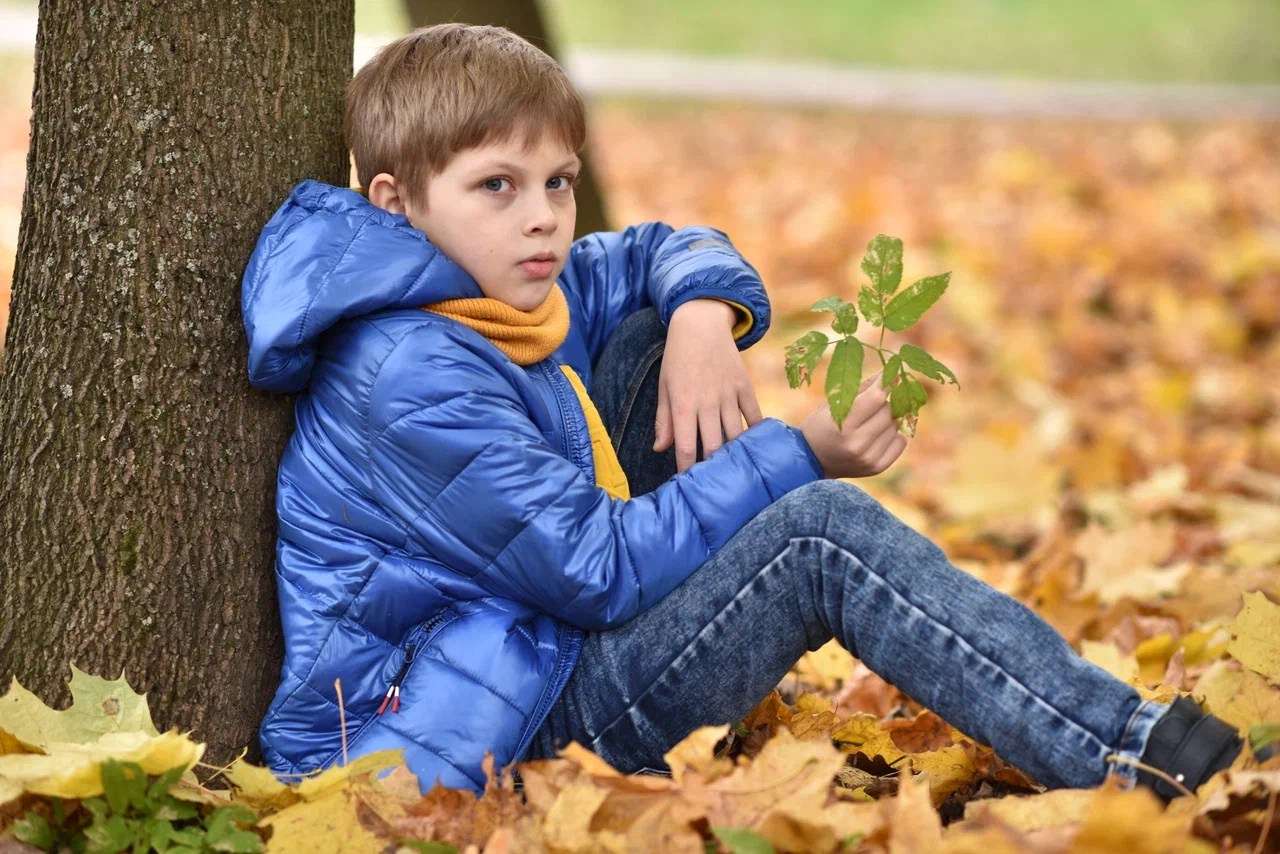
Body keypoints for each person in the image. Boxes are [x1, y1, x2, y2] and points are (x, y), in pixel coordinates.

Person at [241, 24, 1242, 803]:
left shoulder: (492, 287)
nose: (542, 215)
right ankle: (1125, 748)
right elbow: (600, 568)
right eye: (496, 186)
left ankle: (738, 608)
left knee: (638, 328)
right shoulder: (405, 370)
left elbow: (655, 248)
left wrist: (700, 316)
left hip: (528, 639)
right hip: (487, 724)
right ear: (394, 201)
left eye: (556, 181)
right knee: (819, 534)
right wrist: (797, 450)